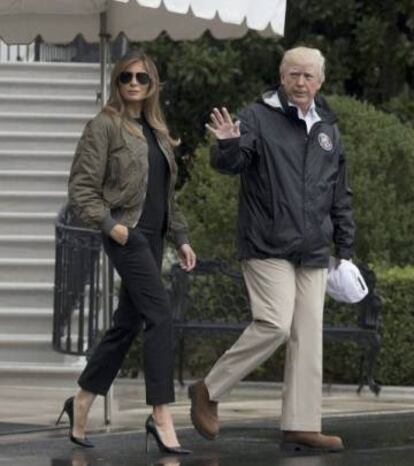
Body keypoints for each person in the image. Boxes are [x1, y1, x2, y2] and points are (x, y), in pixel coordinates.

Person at [188, 46, 354, 453]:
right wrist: (227, 145)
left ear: (321, 81)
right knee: (275, 324)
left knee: (307, 335)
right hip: (266, 243)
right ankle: (209, 390)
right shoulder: (257, 116)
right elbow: (232, 163)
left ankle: (300, 424)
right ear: (282, 77)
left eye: (308, 76)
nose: (301, 82)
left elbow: (339, 193)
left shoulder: (328, 128)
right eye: (293, 74)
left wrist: (345, 247)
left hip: (313, 248)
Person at [57, 50, 196, 454]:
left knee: (128, 323)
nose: (133, 83)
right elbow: (81, 188)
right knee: (160, 315)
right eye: (126, 77)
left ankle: (81, 400)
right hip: (127, 234)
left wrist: (182, 237)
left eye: (141, 78)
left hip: (154, 236)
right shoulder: (104, 126)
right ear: (116, 82)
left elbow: (166, 196)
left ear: (152, 85)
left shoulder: (156, 130)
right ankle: (161, 414)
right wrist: (111, 227)